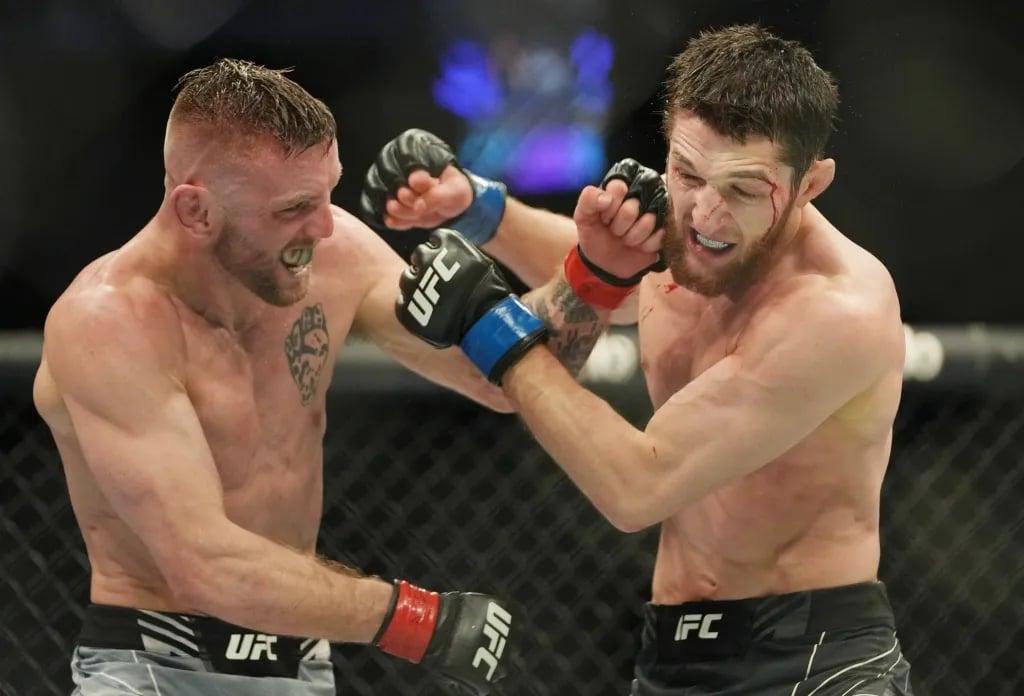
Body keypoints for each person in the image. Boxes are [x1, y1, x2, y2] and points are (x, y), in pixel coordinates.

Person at [30, 58, 638, 696]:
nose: (322, 226)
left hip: (303, 666)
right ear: (196, 211)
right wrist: (418, 621)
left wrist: (594, 276)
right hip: (154, 669)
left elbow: (498, 380)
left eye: (328, 192)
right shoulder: (109, 322)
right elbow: (205, 565)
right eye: (294, 208)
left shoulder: (334, 251)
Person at [361, 24, 915, 695]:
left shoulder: (834, 313)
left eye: (743, 190)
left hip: (818, 664)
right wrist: (477, 207)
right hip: (670, 658)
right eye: (686, 174)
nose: (705, 215)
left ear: (809, 183)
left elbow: (637, 488)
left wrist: (487, 324)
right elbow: (618, 270)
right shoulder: (698, 240)